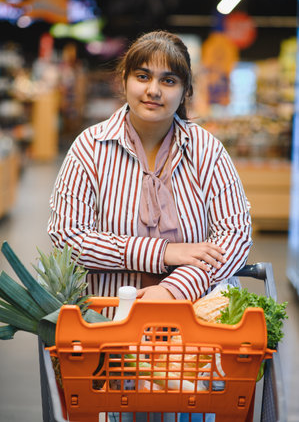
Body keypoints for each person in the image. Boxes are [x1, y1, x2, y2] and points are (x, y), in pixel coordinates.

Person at [48, 30, 252, 313]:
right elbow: (68, 236)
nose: (153, 90)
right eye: (142, 76)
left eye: (168, 80)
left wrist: (175, 288)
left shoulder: (206, 150)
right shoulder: (90, 148)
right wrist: (163, 251)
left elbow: (235, 237)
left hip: (194, 323)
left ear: (185, 91)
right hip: (109, 318)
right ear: (124, 80)